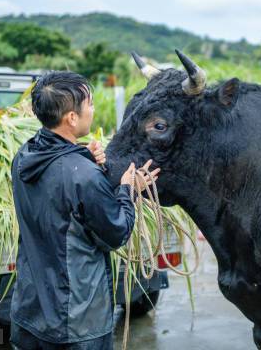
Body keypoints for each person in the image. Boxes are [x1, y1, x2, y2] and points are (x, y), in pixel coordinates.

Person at [9, 71, 159, 349]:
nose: (93, 109)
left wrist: (84, 157)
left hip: (30, 313)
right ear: (72, 118)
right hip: (76, 324)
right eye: (89, 104)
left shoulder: (24, 157)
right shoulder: (84, 176)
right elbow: (116, 232)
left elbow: (59, 192)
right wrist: (128, 189)